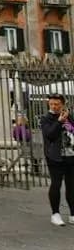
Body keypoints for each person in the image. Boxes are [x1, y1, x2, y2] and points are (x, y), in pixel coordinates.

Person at [39, 93, 74, 226]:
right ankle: (55, 214)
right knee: (56, 184)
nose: (54, 106)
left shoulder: (69, 116)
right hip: (55, 157)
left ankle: (72, 214)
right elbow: (49, 135)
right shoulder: (46, 118)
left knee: (71, 185)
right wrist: (59, 122)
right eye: (51, 104)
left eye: (57, 104)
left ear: (62, 104)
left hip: (71, 155)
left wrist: (67, 121)